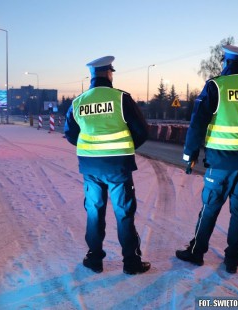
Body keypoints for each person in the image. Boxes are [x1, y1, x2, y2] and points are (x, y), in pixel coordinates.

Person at [175, 45, 238, 273]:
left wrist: (190, 155)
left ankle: (197, 253)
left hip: (220, 163)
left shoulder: (216, 86)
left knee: (210, 208)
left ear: (226, 62)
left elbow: (197, 123)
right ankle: (232, 260)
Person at [64, 56, 151, 275]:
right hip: (118, 168)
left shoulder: (78, 102)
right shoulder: (121, 99)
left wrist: (92, 148)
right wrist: (126, 147)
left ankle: (94, 259)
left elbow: (71, 135)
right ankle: (131, 263)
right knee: (124, 213)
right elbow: (142, 131)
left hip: (91, 169)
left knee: (94, 212)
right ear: (109, 74)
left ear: (92, 76)